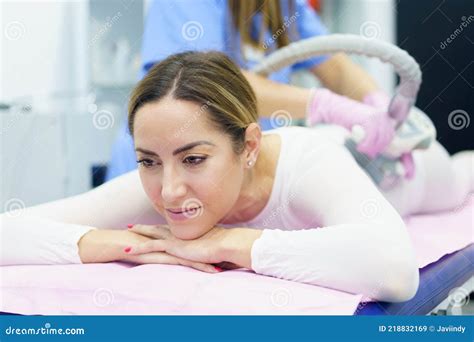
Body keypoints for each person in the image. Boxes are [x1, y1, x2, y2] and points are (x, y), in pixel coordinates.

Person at [2, 52, 472, 303]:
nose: (168, 192)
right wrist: (113, 244)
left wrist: (229, 243)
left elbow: (395, 271)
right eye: (147, 160)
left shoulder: (307, 161)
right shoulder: (163, 185)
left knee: (459, 175)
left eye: (193, 159)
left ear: (248, 146)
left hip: (401, 171)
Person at [106, 0, 393, 180]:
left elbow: (336, 67)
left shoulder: (284, 6)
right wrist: (324, 105)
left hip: (231, 175)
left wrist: (380, 108)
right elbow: (208, 84)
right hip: (168, 172)